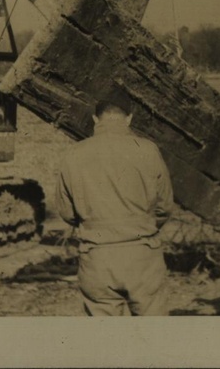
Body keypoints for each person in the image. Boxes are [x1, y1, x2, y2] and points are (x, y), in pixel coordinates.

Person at [55, 91, 174, 316]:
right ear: (129, 118)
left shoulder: (73, 154)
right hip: (142, 255)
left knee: (107, 343)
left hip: (97, 257)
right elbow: (165, 205)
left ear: (95, 120)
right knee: (154, 339)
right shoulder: (148, 150)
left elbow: (66, 211)